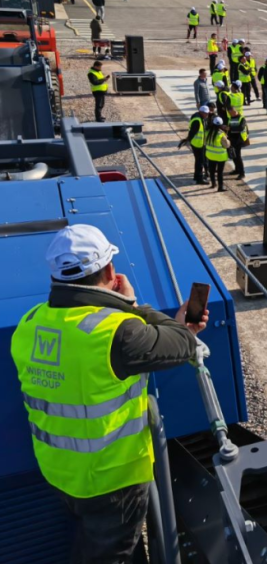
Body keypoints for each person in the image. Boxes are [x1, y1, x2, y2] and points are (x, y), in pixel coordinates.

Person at [10, 224, 207, 564]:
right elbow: (182, 342)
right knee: (111, 555)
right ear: (111, 272)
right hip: (111, 483)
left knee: (98, 544)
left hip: (59, 472)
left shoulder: (29, 324)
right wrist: (130, 303)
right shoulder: (119, 333)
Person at [179, 104, 210, 184]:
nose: (206, 115)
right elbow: (193, 132)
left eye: (207, 113)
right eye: (205, 113)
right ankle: (199, 179)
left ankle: (196, 176)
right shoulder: (197, 120)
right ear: (200, 112)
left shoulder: (198, 117)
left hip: (197, 143)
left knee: (198, 161)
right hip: (198, 144)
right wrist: (187, 140)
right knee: (200, 161)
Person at [205, 116, 230, 192]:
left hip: (210, 154)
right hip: (220, 156)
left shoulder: (207, 132)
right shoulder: (221, 134)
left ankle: (213, 184)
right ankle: (220, 187)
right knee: (220, 172)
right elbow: (226, 145)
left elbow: (204, 143)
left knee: (212, 170)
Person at [227, 105, 249, 179]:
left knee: (238, 157)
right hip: (232, 139)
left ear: (235, 111)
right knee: (233, 155)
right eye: (230, 113)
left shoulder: (241, 118)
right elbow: (230, 128)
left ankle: (242, 173)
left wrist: (230, 128)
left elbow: (241, 128)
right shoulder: (230, 118)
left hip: (239, 140)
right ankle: (237, 170)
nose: (231, 114)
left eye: (232, 112)